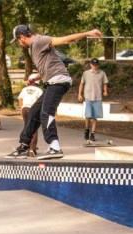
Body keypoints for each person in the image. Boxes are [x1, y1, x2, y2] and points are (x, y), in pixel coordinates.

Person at [10, 24, 103, 159]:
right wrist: (38, 76)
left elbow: (65, 40)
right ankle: (24, 145)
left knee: (46, 113)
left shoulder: (39, 41)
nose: (19, 44)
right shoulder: (33, 49)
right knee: (34, 112)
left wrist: (88, 32)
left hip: (59, 81)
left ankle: (54, 147)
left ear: (22, 37)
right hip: (52, 81)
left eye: (18, 41)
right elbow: (49, 65)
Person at [78, 57, 108, 145]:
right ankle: (86, 130)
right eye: (93, 65)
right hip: (88, 97)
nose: (95, 66)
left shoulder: (102, 73)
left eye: (96, 65)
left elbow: (105, 83)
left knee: (94, 117)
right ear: (90, 65)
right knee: (88, 116)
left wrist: (105, 91)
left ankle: (93, 134)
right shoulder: (86, 73)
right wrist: (80, 94)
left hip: (97, 97)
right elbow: (81, 84)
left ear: (98, 65)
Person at [18, 72, 44, 155]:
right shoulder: (40, 90)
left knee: (27, 126)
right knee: (34, 128)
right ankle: (32, 149)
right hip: (33, 109)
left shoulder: (24, 89)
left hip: (24, 109)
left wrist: (21, 108)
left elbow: (20, 99)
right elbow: (40, 102)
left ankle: (24, 144)